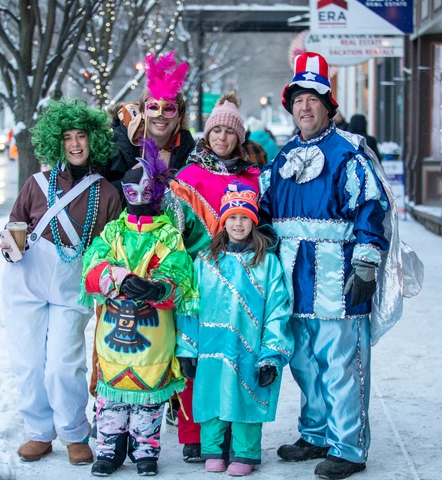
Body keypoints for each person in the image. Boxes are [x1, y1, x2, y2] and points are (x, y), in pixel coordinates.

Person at [259, 52, 422, 479]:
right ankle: (315, 434)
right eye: (298, 99)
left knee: (341, 366)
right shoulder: (283, 157)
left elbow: (372, 209)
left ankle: (348, 447)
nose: (305, 107)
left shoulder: (349, 154)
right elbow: (263, 211)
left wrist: (366, 265)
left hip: (337, 280)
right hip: (293, 280)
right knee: (305, 364)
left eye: (313, 98)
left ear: (329, 106)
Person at [0, 99, 122, 466]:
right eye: (67, 137)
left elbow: (109, 248)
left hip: (72, 286)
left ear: (93, 140)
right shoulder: (35, 184)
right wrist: (7, 245)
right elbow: (13, 225)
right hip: (26, 281)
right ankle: (39, 431)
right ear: (56, 142)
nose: (74, 144)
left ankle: (73, 432)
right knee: (28, 360)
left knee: (63, 363)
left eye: (81, 136)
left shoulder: (109, 193)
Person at [80, 138, 199, 477]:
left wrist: (157, 285)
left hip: (154, 330)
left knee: (149, 395)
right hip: (116, 328)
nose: (139, 199)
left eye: (147, 193)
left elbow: (179, 269)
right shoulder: (113, 232)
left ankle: (145, 449)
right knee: (112, 396)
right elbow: (92, 266)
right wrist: (116, 277)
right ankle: (109, 448)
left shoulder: (168, 235)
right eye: (133, 193)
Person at [176, 183, 294, 476]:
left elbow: (277, 312)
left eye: (244, 218)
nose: (238, 224)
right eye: (232, 217)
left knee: (247, 397)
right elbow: (190, 306)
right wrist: (188, 348)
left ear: (253, 222)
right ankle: (213, 451)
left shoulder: (267, 264)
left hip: (250, 349)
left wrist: (271, 355)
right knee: (211, 395)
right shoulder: (205, 261)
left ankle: (245, 453)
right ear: (223, 221)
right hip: (211, 348)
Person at [169, 91, 260, 462]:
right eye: (216, 130)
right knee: (198, 356)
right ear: (206, 135)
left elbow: (261, 222)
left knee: (235, 357)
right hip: (198, 278)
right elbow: (175, 232)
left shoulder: (252, 177)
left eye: (229, 131)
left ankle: (230, 433)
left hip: (240, 278)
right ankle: (194, 433)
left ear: (240, 137)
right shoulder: (188, 176)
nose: (222, 137)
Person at [103, 51, 194, 204]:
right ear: (143, 112)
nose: (160, 115)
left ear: (179, 115)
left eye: (169, 109)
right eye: (153, 107)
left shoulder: (187, 150)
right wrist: (132, 178)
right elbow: (103, 195)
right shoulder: (118, 143)